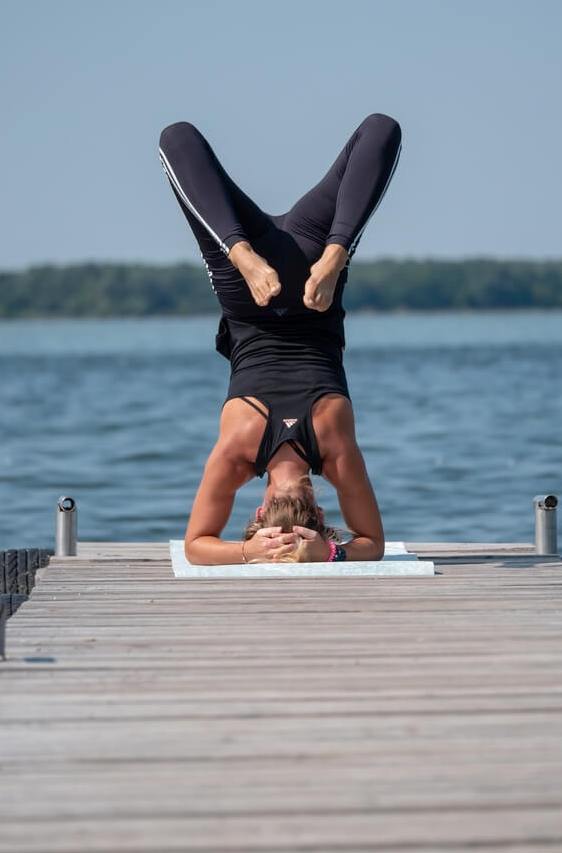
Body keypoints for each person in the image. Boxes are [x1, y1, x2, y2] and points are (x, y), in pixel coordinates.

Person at [158, 113, 402, 564]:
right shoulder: (238, 454)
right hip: (258, 288)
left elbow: (371, 544)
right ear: (257, 507)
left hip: (306, 283)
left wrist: (330, 553)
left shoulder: (333, 451)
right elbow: (197, 546)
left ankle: (333, 251)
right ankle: (250, 250)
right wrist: (250, 551)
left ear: (321, 508)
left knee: (382, 128)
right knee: (176, 139)